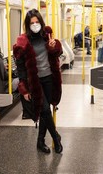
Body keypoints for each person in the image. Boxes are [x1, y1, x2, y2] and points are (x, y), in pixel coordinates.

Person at [13, 9, 63, 154]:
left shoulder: (47, 36)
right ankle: (56, 137)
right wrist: (24, 89)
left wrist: (54, 47)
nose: (35, 25)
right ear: (28, 25)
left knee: (44, 112)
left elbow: (57, 54)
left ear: (41, 22)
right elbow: (21, 67)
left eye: (37, 22)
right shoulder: (23, 42)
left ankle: (40, 141)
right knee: (46, 109)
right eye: (32, 23)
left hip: (49, 78)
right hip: (35, 82)